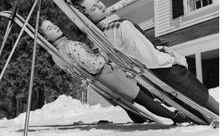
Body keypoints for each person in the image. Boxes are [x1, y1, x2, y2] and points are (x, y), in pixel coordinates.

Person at [71, 0, 219, 115]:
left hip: (148, 79)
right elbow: (148, 56)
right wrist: (174, 59)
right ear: (87, 17)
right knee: (204, 99)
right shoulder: (120, 25)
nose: (101, 5)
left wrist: (160, 48)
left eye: (98, 1)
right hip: (166, 71)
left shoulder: (101, 39)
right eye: (94, 8)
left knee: (192, 106)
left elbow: (133, 52)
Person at [39, 19, 189, 124]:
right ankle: (175, 117)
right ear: (46, 37)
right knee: (143, 98)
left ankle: (140, 119)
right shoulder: (71, 46)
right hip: (107, 75)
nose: (55, 26)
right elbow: (93, 66)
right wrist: (104, 54)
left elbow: (76, 71)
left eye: (52, 24)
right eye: (49, 28)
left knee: (127, 102)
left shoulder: (56, 55)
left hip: (99, 82)